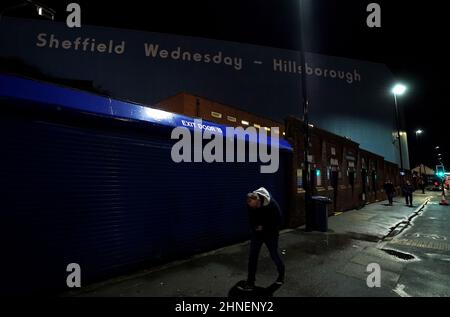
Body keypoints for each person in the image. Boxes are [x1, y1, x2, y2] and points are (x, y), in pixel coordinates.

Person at [238, 187, 285, 291]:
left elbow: (278, 221)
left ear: (258, 200)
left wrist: (264, 227)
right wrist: (255, 227)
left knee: (274, 255)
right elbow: (251, 219)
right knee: (252, 257)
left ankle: (281, 275)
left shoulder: (272, 205)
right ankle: (250, 282)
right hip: (257, 235)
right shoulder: (250, 205)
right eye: (249, 204)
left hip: (271, 235)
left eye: (252, 204)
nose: (250, 206)